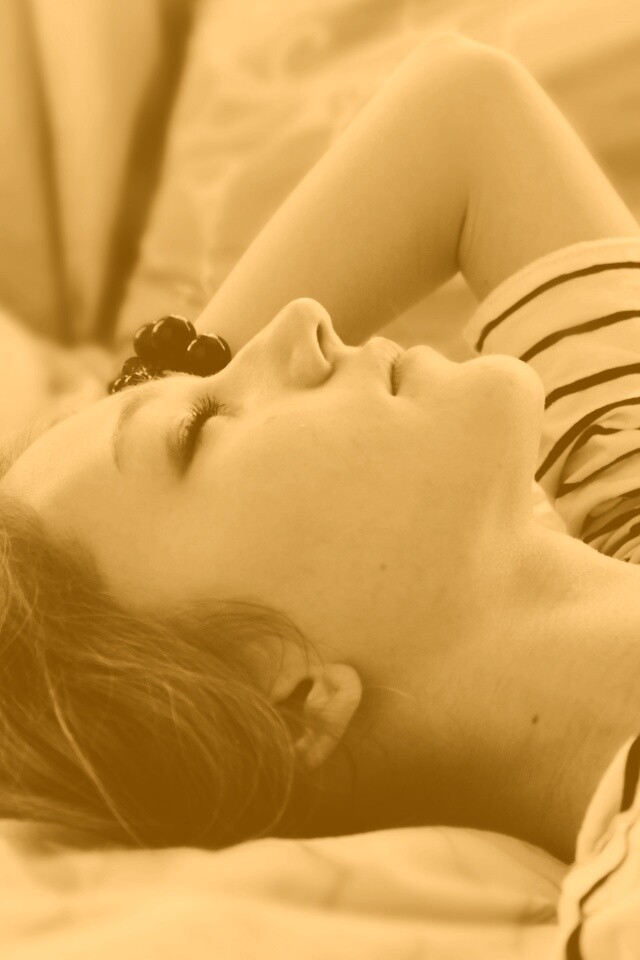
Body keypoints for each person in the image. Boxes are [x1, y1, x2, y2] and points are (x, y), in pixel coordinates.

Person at [1, 30, 640, 898]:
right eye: (201, 428)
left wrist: (163, 385)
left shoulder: (619, 488)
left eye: (195, 374)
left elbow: (463, 109)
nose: (300, 318)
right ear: (296, 706)